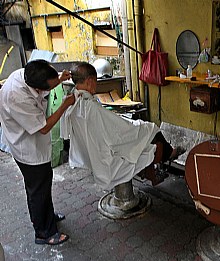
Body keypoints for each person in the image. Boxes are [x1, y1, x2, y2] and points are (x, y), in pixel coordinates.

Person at [61, 62, 184, 190]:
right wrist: (133, 125)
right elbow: (119, 133)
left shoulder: (72, 102)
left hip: (93, 156)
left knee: (141, 128)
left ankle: (161, 161)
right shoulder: (90, 107)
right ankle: (167, 156)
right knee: (151, 128)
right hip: (107, 159)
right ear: (90, 81)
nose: (96, 84)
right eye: (96, 81)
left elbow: (108, 127)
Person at [0, 60, 74, 245]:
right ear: (38, 87)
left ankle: (47, 217)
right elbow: (43, 128)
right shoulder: (16, 97)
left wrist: (59, 79)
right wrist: (64, 105)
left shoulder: (28, 73)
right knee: (37, 191)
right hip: (27, 149)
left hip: (36, 145)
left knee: (43, 185)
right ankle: (44, 232)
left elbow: (48, 80)